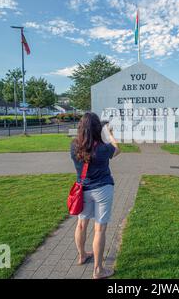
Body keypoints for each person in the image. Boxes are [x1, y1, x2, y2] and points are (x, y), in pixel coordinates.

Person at [71, 112, 120, 279]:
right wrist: (110, 134)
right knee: (100, 228)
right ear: (97, 128)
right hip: (102, 189)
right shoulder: (103, 148)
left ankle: (82, 255)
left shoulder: (74, 146)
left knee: (81, 224)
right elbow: (117, 149)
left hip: (83, 190)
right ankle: (98, 270)